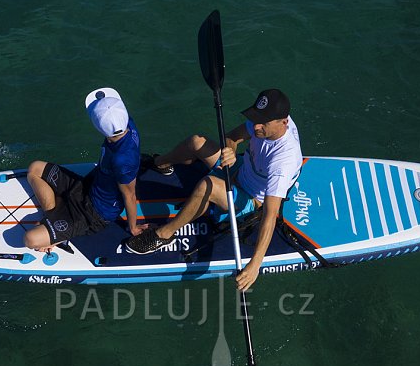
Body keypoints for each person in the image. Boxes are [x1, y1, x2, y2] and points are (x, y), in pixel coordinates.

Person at [126, 88, 302, 291]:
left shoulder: (284, 161)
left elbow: (270, 216)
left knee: (207, 186)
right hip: (240, 170)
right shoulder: (262, 124)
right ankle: (159, 163)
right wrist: (231, 151)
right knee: (196, 142)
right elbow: (233, 136)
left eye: (263, 123)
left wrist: (254, 266)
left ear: (284, 122)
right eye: (256, 119)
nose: (256, 126)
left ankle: (164, 235)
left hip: (249, 199)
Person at [24, 88, 148, 252]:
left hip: (94, 214)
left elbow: (129, 195)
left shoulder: (123, 160)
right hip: (89, 186)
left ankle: (60, 231)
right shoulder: (126, 123)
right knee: (35, 168)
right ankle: (54, 215)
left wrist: (133, 227)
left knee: (30, 239)